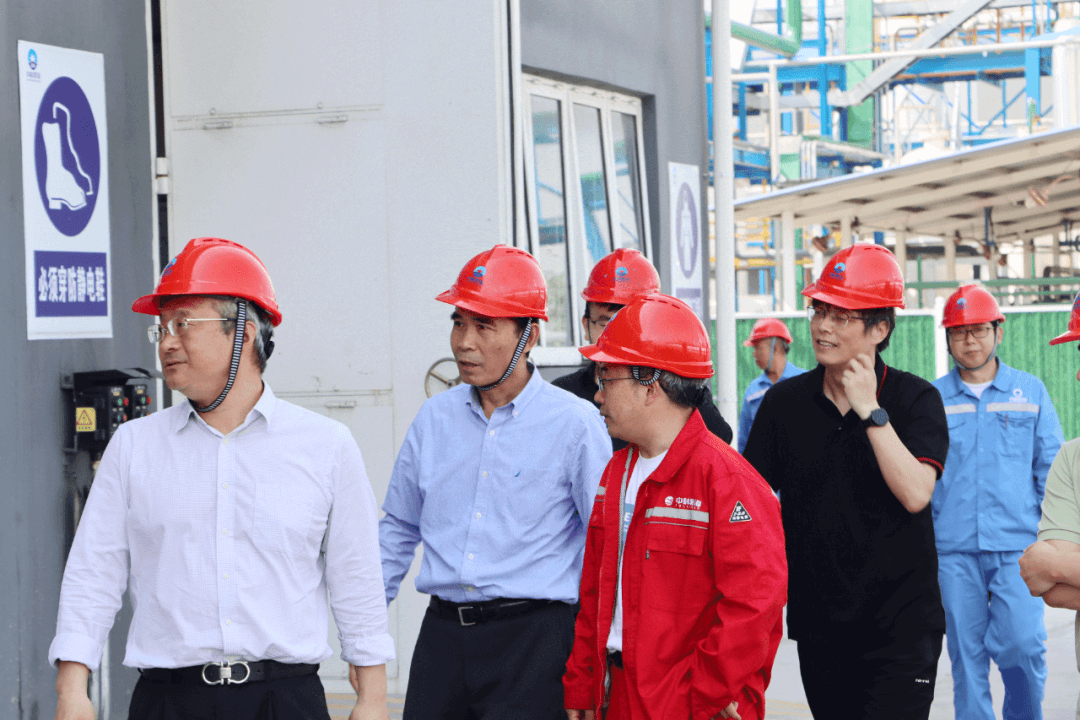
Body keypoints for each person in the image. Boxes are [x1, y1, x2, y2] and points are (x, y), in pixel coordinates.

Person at [49, 237, 394, 720]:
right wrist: (72, 691)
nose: (167, 342)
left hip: (282, 700)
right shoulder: (134, 446)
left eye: (183, 324)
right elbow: (93, 572)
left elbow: (356, 576)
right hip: (168, 701)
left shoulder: (326, 446)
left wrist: (372, 700)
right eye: (162, 327)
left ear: (244, 333)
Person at [379, 244, 612, 720]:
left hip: (535, 643)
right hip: (443, 639)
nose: (464, 342)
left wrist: (597, 658)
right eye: (458, 323)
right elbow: (398, 529)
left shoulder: (575, 424)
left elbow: (606, 545)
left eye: (484, 326)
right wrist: (363, 628)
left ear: (530, 335)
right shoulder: (434, 419)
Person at [743, 244, 949, 720]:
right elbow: (750, 504)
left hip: (901, 629)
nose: (822, 327)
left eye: (840, 316)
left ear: (879, 329)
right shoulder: (783, 405)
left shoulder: (916, 399)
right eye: (819, 311)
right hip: (821, 626)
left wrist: (870, 411)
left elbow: (916, 493)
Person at [562, 294, 787, 720]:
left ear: (650, 385)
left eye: (607, 379)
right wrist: (582, 683)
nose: (597, 396)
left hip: (692, 704)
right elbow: (593, 593)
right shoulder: (616, 473)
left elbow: (755, 606)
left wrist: (703, 693)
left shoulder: (729, 482)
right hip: (618, 696)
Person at [932, 285, 1062, 720]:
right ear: (948, 339)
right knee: (965, 655)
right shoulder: (932, 399)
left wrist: (1054, 541)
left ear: (998, 333)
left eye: (979, 330)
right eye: (959, 332)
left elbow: (1050, 471)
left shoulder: (1030, 391)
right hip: (953, 549)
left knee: (1023, 645)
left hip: (1019, 548)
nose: (969, 341)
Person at [553, 248, 733, 448]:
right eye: (605, 324)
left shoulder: (672, 392)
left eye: (628, 324)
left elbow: (719, 439)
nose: (614, 336)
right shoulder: (563, 396)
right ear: (585, 326)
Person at [1020, 291, 1080, 720]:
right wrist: (1054, 565)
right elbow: (1048, 582)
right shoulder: (1073, 458)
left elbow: (1057, 569)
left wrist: (1063, 564)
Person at [737, 318, 805, 453]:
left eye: (758, 347)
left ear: (775, 347)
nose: (754, 354)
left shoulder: (804, 382)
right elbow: (744, 440)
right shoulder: (753, 391)